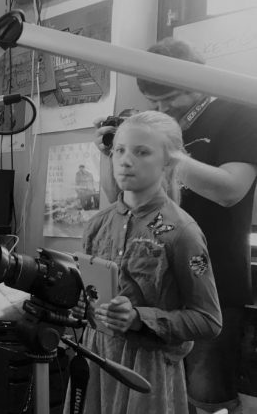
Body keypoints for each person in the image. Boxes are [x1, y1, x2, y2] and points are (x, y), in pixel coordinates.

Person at [95, 37, 257, 414]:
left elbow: (231, 190)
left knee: (206, 399)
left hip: (211, 283)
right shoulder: (157, 125)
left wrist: (163, 155)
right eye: (154, 103)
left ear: (195, 79)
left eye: (169, 99)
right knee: (151, 396)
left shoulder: (240, 112)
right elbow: (116, 195)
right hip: (151, 284)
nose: (162, 109)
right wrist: (111, 153)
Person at [65, 111, 222, 414]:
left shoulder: (182, 232)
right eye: (119, 150)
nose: (125, 161)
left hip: (147, 370)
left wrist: (140, 318)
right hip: (95, 358)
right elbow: (89, 295)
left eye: (142, 152)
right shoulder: (97, 224)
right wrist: (82, 304)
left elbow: (209, 320)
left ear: (168, 163)